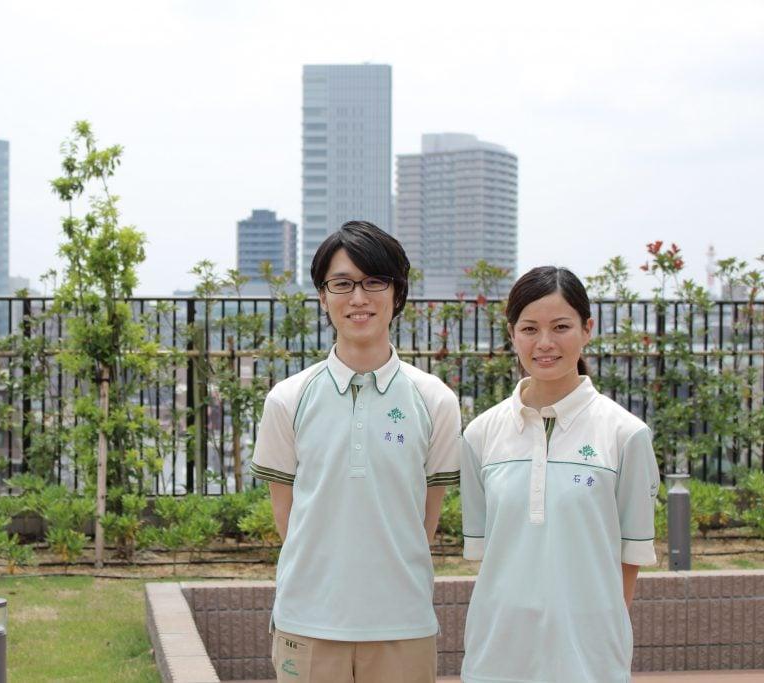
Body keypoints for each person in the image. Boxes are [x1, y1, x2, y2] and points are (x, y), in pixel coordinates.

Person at [250, 220, 462, 683]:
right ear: (323, 296)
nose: (358, 298)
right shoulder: (287, 399)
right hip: (307, 621)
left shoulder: (435, 400)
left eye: (374, 282)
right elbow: (288, 521)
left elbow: (424, 522)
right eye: (342, 284)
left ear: (397, 293)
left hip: (402, 623)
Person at [460, 266, 660, 683]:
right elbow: (488, 556)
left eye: (561, 326)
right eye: (530, 328)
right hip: (498, 651)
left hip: (588, 657)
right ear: (512, 333)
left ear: (587, 329)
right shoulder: (480, 434)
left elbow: (630, 560)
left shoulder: (626, 435)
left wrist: (596, 634)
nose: (545, 343)